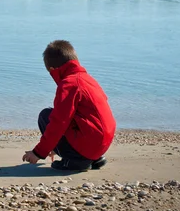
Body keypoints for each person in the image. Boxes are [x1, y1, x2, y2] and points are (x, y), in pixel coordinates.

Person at [22, 40, 116, 171]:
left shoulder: (69, 84)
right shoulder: (88, 80)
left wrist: (38, 152)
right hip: (101, 144)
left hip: (88, 144)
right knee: (67, 115)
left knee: (46, 116)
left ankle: (76, 161)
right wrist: (55, 146)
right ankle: (94, 158)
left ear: (53, 70)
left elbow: (59, 122)